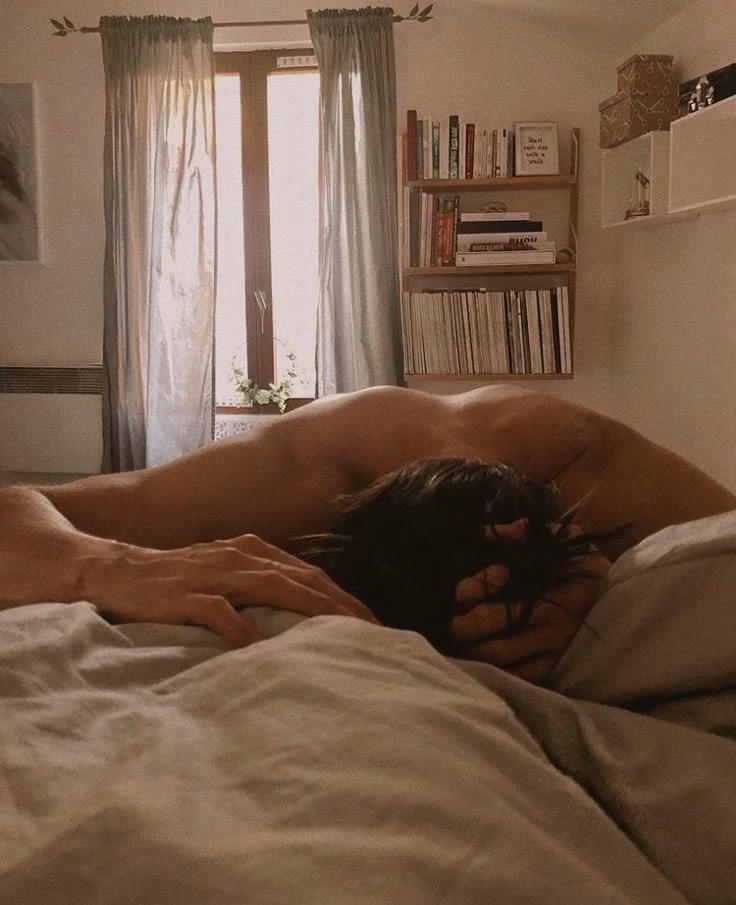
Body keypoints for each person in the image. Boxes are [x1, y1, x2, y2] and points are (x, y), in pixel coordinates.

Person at [1, 385, 734, 680]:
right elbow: (15, 506)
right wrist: (105, 565)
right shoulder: (316, 465)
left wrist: (601, 585)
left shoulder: (562, 456)